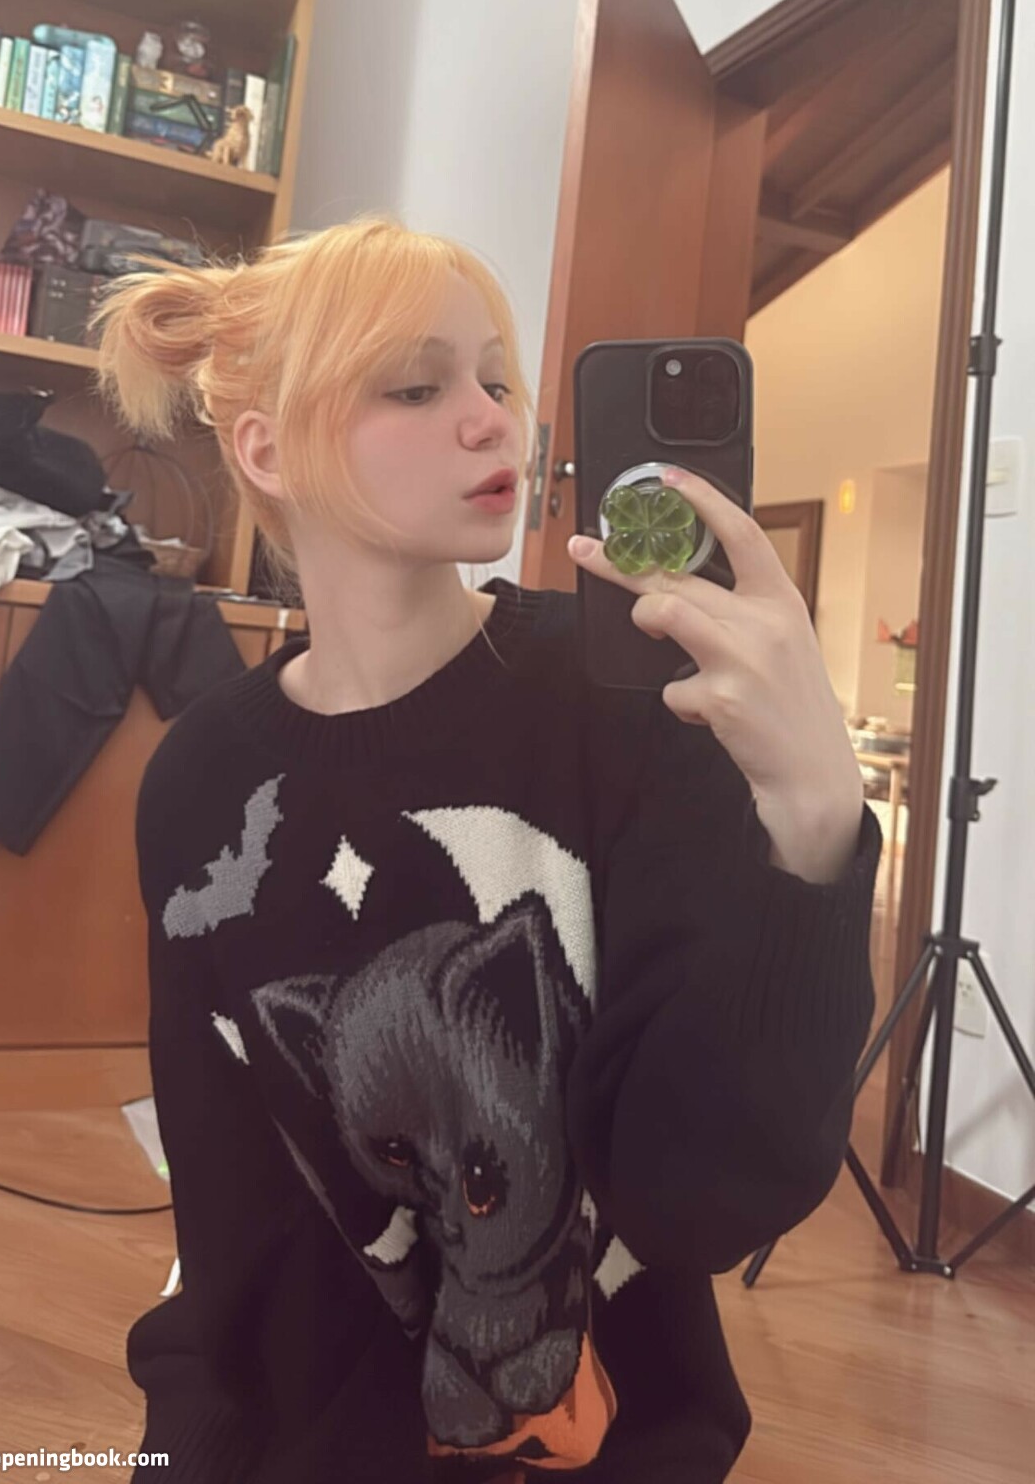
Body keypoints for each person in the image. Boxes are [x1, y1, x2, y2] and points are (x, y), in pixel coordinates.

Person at [92, 214, 881, 1484]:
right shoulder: (201, 785)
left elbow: (702, 1200)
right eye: (418, 388)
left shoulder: (635, 708)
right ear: (266, 450)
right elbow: (231, 1209)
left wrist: (812, 812)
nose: (492, 422)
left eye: (497, 381)